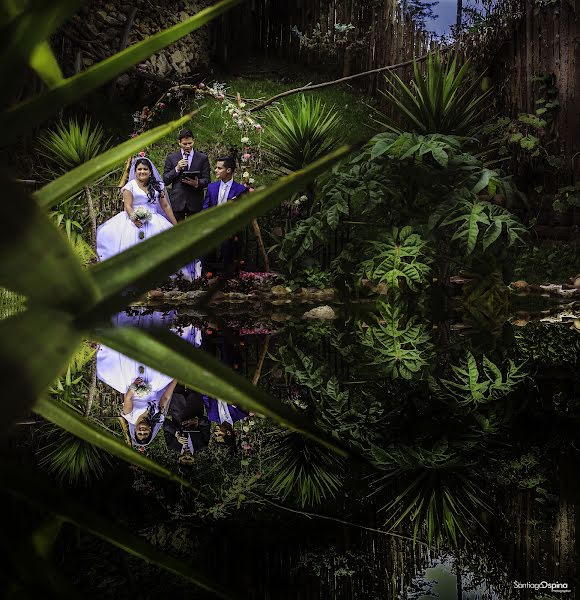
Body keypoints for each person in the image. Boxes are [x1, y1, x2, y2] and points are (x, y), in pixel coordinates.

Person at [97, 157, 178, 260]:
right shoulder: (130, 186)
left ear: (150, 172)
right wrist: (134, 218)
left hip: (154, 220)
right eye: (139, 169)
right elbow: (127, 206)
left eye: (145, 169)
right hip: (133, 219)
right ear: (135, 171)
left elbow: (165, 205)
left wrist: (175, 224)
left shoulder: (158, 186)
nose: (142, 171)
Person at [202, 157, 248, 277]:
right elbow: (206, 207)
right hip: (212, 224)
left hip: (230, 226)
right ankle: (208, 273)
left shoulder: (240, 190)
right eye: (216, 167)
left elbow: (241, 213)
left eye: (219, 168)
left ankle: (227, 274)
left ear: (228, 170)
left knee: (229, 240)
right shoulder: (212, 187)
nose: (215, 170)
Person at [163, 129, 211, 221]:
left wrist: (197, 183)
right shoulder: (171, 158)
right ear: (179, 143)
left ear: (194, 141)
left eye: (190, 143)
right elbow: (165, 180)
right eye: (185, 144)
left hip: (195, 202)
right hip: (177, 201)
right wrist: (177, 168)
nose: (188, 146)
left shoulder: (202, 158)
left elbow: (207, 180)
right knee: (177, 231)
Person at [163, 387, 210, 465]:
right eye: (190, 459)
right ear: (194, 459)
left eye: (184, 458)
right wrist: (197, 421)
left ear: (179, 459)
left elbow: (165, 424)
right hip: (195, 401)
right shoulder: (203, 444)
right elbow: (207, 423)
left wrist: (176, 434)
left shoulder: (171, 445)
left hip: (177, 400)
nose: (187, 456)